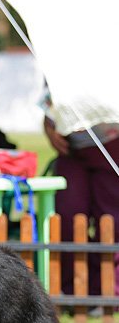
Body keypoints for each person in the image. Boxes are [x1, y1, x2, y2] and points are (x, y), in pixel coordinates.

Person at [44, 113, 119, 297]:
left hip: (113, 141)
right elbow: (50, 102)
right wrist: (48, 126)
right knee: (68, 217)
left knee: (111, 221)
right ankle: (72, 289)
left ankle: (109, 290)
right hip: (72, 147)